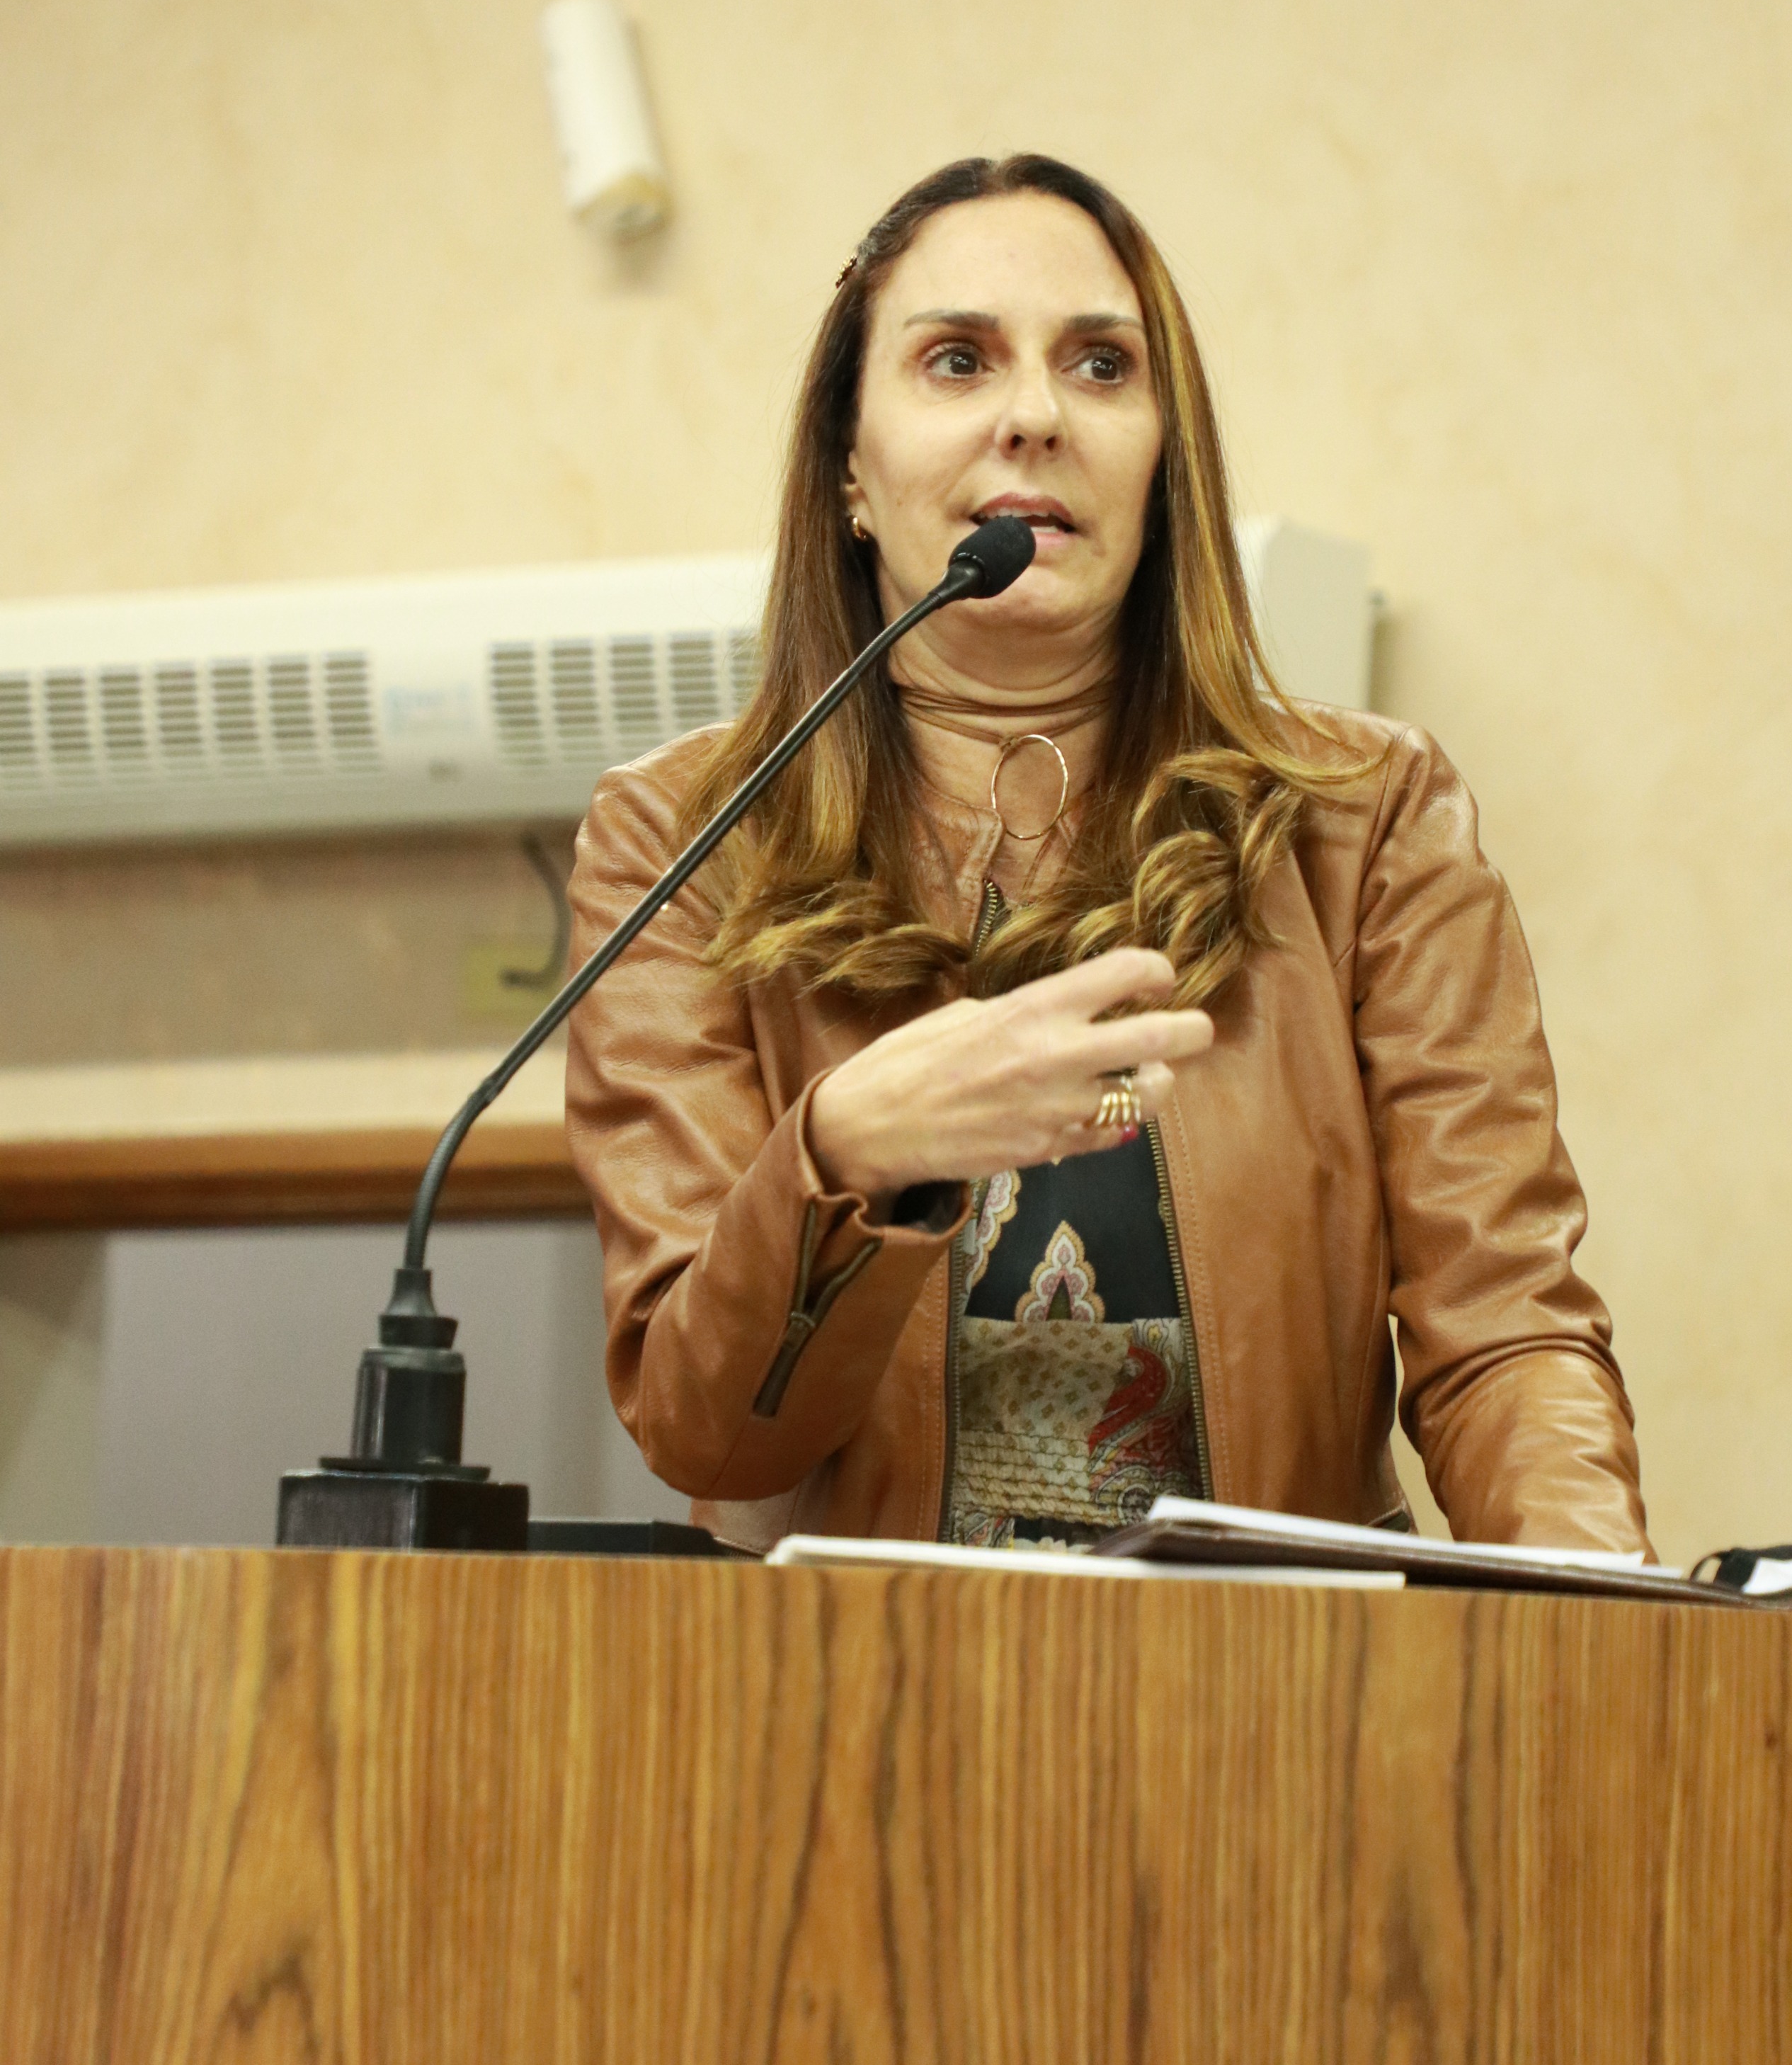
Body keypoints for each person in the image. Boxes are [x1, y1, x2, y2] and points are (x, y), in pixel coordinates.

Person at [565, 154, 1651, 1557]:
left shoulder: (1363, 820)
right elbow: (708, 1431)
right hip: (857, 1679)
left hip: (1282, 1675)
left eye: (1098, 364)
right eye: (957, 360)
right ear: (848, 468)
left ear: (1160, 457)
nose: (1032, 415)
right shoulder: (683, 839)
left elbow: (1502, 1326)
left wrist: (1606, 1613)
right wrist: (839, 1156)